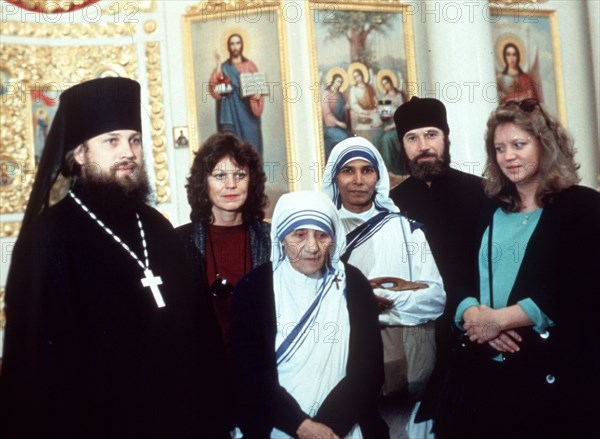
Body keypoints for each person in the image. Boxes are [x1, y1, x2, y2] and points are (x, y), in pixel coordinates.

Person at [0, 77, 230, 439]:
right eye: (112, 141)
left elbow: (200, 333)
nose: (129, 153)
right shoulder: (47, 238)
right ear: (78, 154)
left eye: (134, 140)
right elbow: (36, 365)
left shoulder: (156, 226)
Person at [437, 99, 600, 438]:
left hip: (554, 378)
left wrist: (501, 320)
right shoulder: (485, 207)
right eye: (500, 148)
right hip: (484, 377)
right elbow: (458, 275)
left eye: (519, 145)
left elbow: (582, 285)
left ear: (545, 145)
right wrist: (475, 319)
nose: (509, 156)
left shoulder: (582, 205)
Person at [231, 191, 389, 439]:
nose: (312, 247)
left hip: (344, 427)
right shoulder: (252, 288)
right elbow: (250, 372)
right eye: (300, 234)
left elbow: (368, 371)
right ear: (282, 237)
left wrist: (326, 429)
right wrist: (301, 426)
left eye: (322, 235)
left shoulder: (353, 283)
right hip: (277, 426)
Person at [322, 137, 445, 438]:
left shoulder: (406, 229)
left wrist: (382, 302)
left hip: (400, 370)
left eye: (367, 170)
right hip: (336, 363)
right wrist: (368, 302)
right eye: (348, 171)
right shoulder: (318, 231)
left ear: (379, 176)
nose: (358, 180)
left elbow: (435, 298)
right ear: (335, 178)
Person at [176, 132, 271, 348]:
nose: (231, 185)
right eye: (220, 176)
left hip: (259, 364)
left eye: (239, 175)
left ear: (252, 180)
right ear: (204, 182)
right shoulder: (179, 242)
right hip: (203, 367)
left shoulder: (272, 238)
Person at [210, 33, 264, 154]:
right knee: (232, 151)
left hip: (248, 116)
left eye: (237, 43)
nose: (235, 47)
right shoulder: (223, 67)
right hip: (230, 117)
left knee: (251, 151)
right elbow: (216, 89)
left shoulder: (250, 66)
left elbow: (259, 90)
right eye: (232, 44)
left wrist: (256, 95)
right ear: (228, 47)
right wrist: (218, 62)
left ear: (242, 45)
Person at [373, 74, 406, 176]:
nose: (386, 86)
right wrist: (378, 114)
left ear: (391, 82)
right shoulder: (385, 97)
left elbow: (403, 115)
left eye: (387, 83)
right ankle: (379, 166)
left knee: (387, 138)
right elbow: (385, 116)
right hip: (388, 124)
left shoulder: (399, 95)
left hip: (399, 125)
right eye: (384, 85)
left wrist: (391, 127)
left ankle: (389, 167)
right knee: (377, 136)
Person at [322, 73, 351, 159]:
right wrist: (338, 123)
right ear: (333, 81)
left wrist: (346, 108)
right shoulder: (326, 94)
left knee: (351, 137)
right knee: (344, 138)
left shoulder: (341, 95)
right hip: (330, 127)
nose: (339, 84)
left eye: (340, 82)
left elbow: (341, 111)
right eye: (338, 81)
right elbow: (326, 113)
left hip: (341, 125)